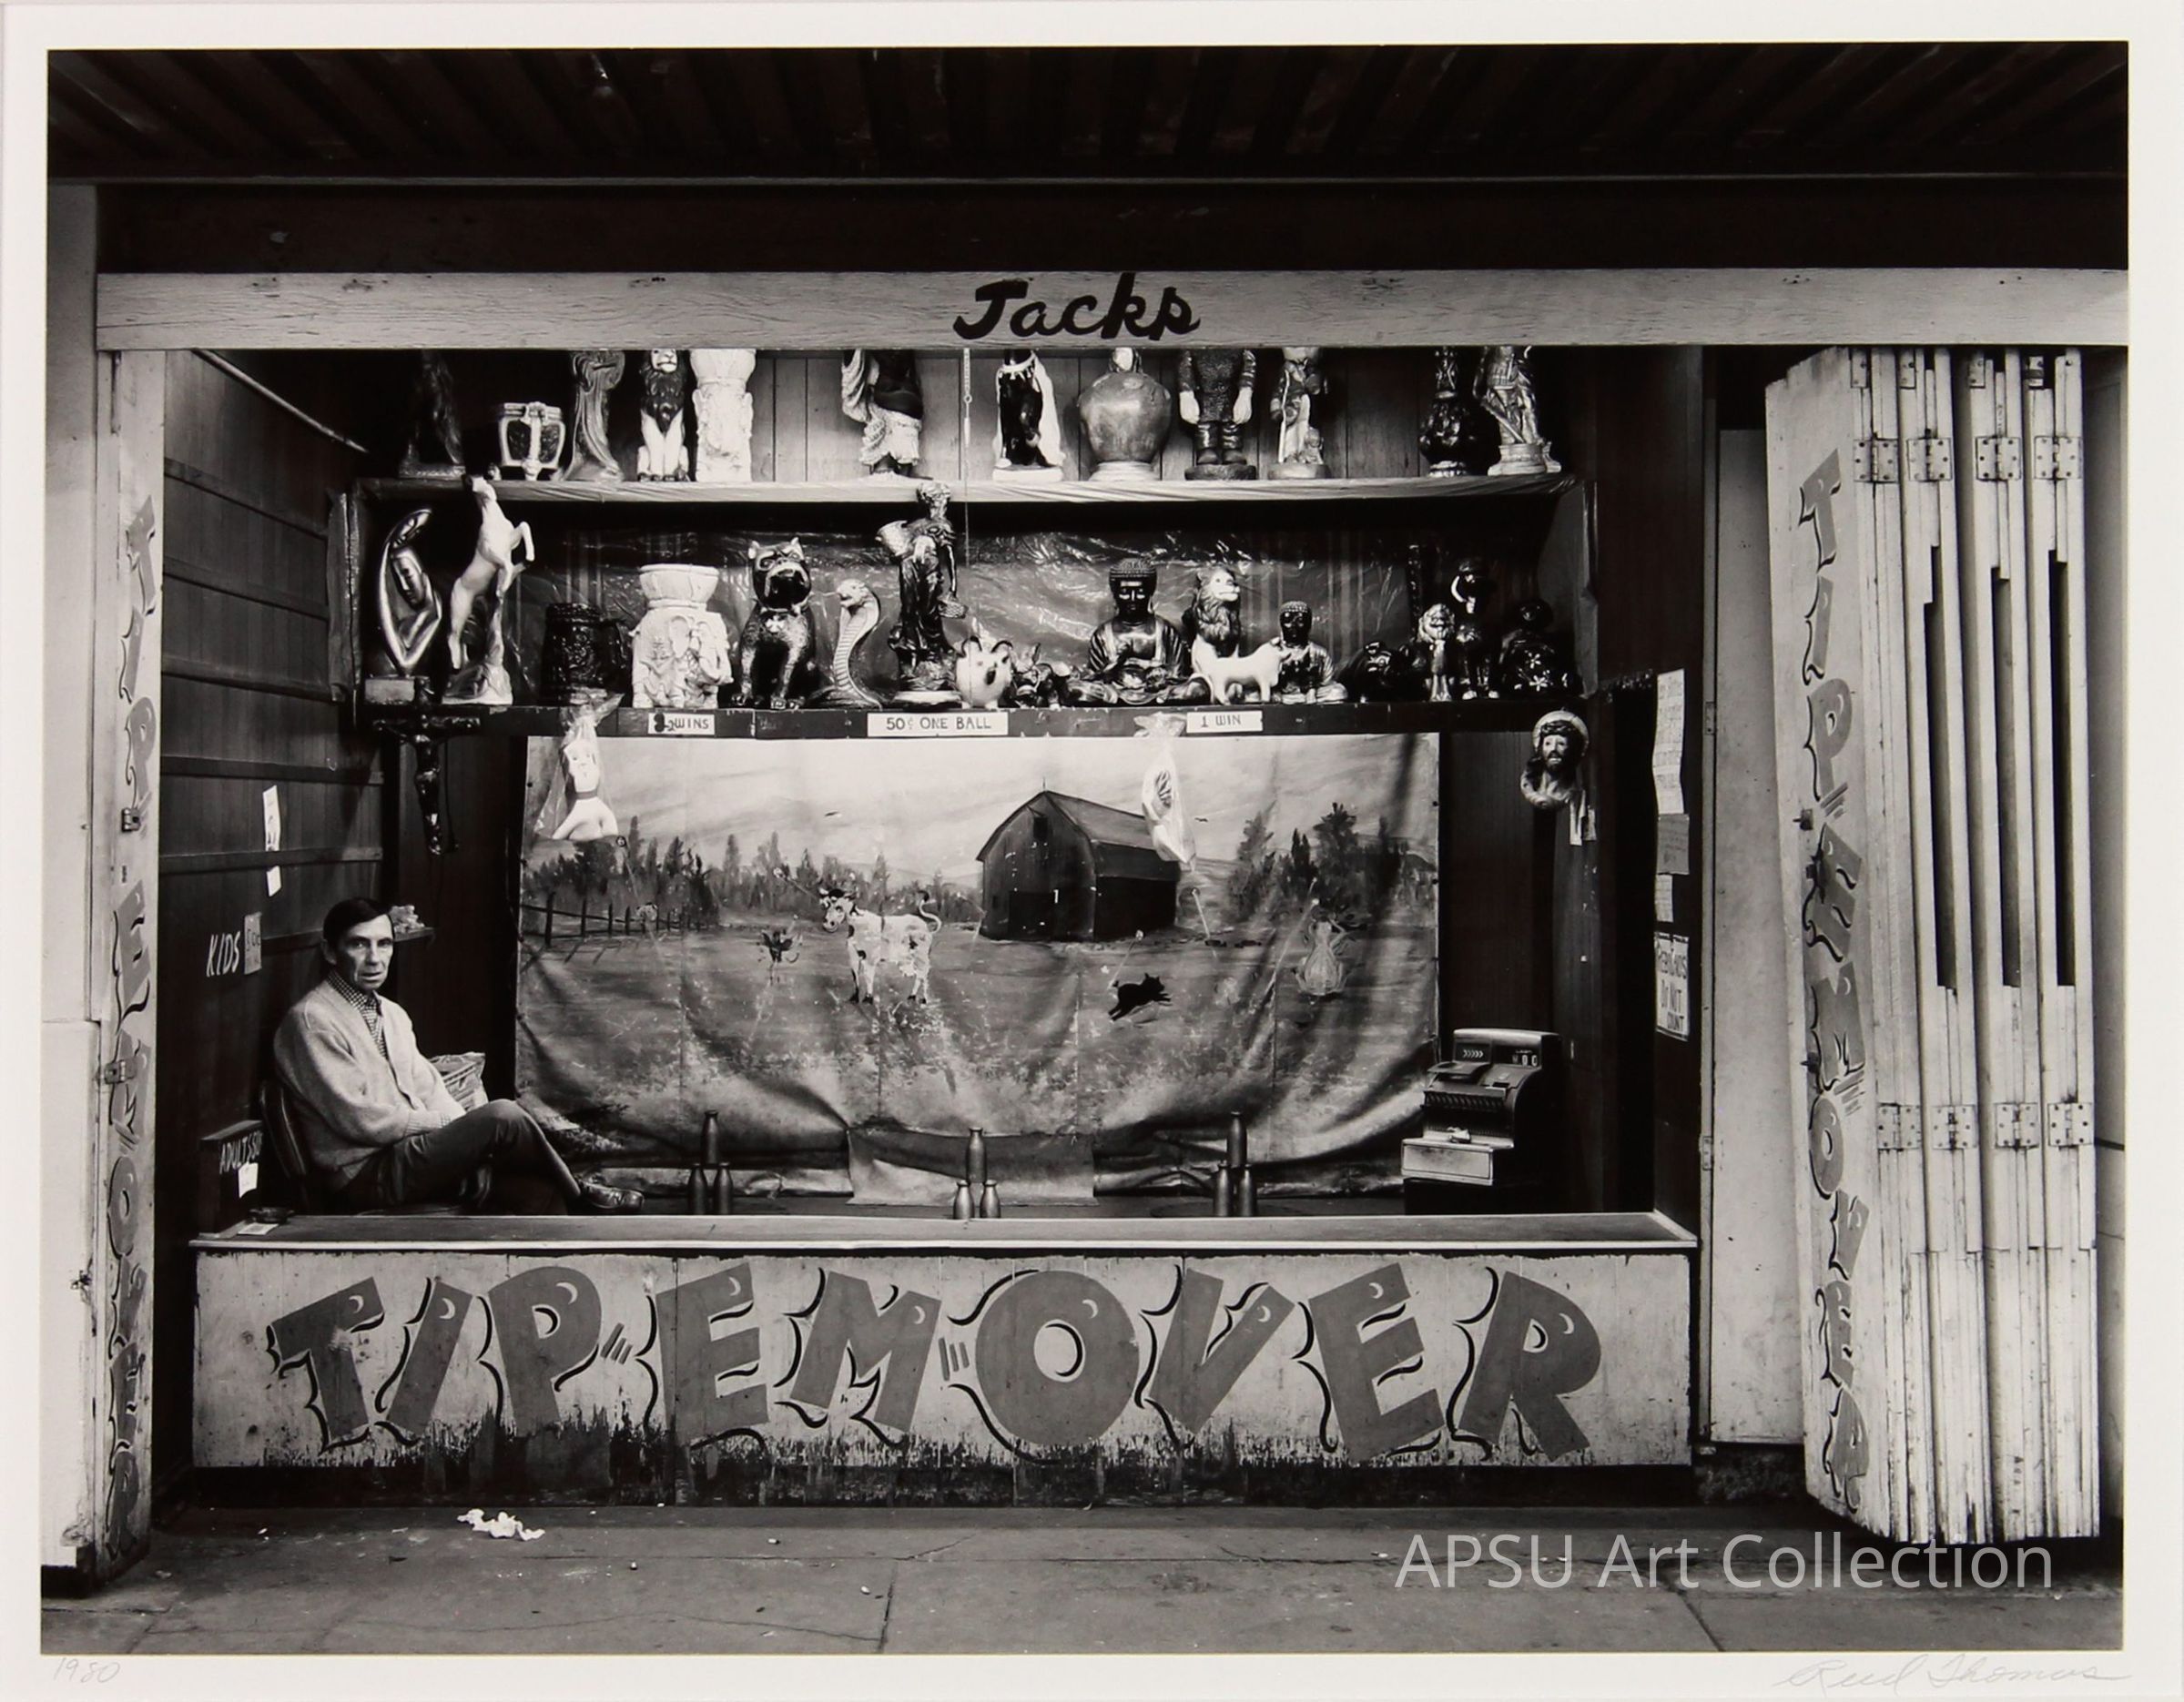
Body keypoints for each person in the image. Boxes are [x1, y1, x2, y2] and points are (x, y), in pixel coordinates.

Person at [274, 897, 640, 1213]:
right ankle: (580, 1193)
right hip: (364, 1175)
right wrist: (449, 1133)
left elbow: (430, 1087)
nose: (374, 958)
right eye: (358, 945)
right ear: (329, 951)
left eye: (384, 944)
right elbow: (361, 1121)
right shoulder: (312, 1022)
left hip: (409, 1157)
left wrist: (469, 1154)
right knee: (502, 1116)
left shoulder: (391, 1014)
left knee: (539, 1196)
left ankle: (557, 1237)